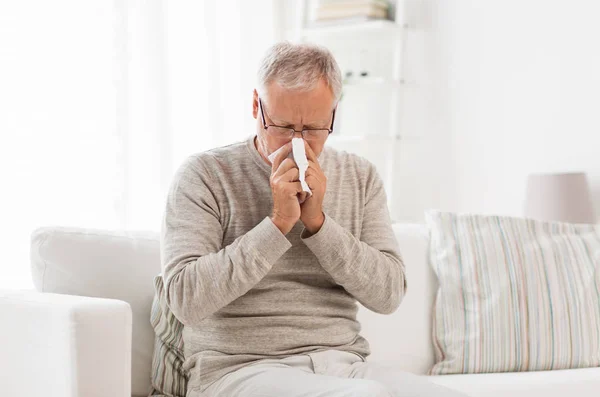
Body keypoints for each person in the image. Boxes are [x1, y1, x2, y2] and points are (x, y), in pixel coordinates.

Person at [160, 41, 465, 397]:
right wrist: (276, 225)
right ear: (257, 107)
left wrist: (320, 224)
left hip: (343, 365)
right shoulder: (205, 175)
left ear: (334, 114)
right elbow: (184, 300)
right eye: (284, 126)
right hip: (239, 370)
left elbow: (389, 294)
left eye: (315, 128)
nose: (298, 142)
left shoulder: (360, 176)